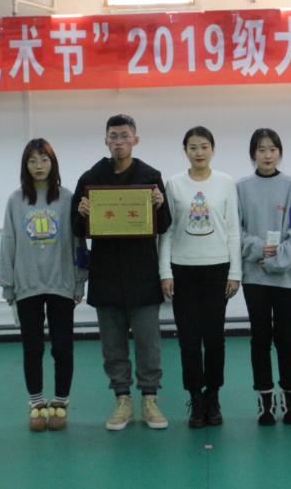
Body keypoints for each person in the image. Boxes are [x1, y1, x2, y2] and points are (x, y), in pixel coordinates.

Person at [72, 114, 173, 431]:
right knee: (112, 345)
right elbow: (77, 229)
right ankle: (122, 399)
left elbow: (165, 225)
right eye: (113, 136)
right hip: (106, 274)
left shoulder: (150, 176)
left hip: (143, 273)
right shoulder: (91, 178)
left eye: (125, 135)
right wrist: (82, 213)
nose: (119, 141)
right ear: (106, 140)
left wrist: (160, 205)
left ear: (135, 139)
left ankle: (150, 398)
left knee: (148, 343)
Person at [0, 138, 87, 432]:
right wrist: (8, 284)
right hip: (27, 284)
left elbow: (77, 241)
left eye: (44, 160)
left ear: (53, 163)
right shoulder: (15, 200)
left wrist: (79, 281)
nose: (38, 166)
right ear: (25, 165)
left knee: (63, 347)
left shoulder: (67, 198)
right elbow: (8, 240)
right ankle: (36, 403)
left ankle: (60, 401)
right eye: (32, 161)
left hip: (61, 282)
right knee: (32, 347)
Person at [159, 126, 242, 428]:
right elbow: (167, 232)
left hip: (217, 269)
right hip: (183, 270)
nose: (199, 152)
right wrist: (165, 272)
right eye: (193, 147)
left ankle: (213, 396)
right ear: (185, 151)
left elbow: (233, 229)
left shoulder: (226, 183)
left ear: (213, 149)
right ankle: (195, 398)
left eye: (204, 146)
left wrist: (235, 272)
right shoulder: (174, 184)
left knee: (214, 339)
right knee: (189, 340)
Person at [236, 128, 291, 425]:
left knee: (285, 337)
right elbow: (235, 231)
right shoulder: (241, 188)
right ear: (253, 154)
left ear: (280, 153)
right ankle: (265, 400)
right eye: (261, 149)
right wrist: (257, 250)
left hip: (287, 277)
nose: (267, 155)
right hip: (255, 277)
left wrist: (277, 262)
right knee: (260, 337)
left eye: (272, 149)